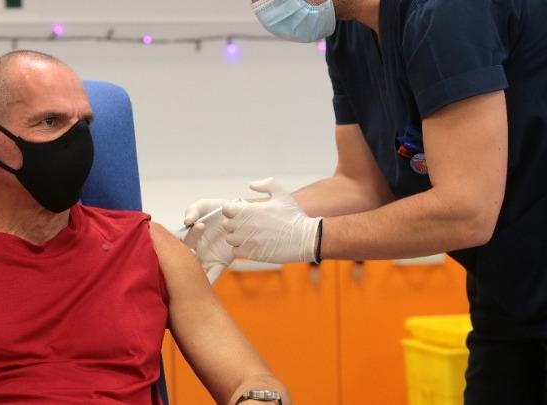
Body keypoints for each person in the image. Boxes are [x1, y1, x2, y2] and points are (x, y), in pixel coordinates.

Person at [0, 50, 291, 405]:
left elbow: (251, 380)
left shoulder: (147, 244)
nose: (76, 141)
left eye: (83, 123)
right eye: (50, 122)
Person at [184, 0, 547, 403]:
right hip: (508, 291)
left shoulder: (447, 13)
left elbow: (468, 211)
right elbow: (362, 183)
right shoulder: (349, 33)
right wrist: (242, 219)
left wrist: (309, 237)